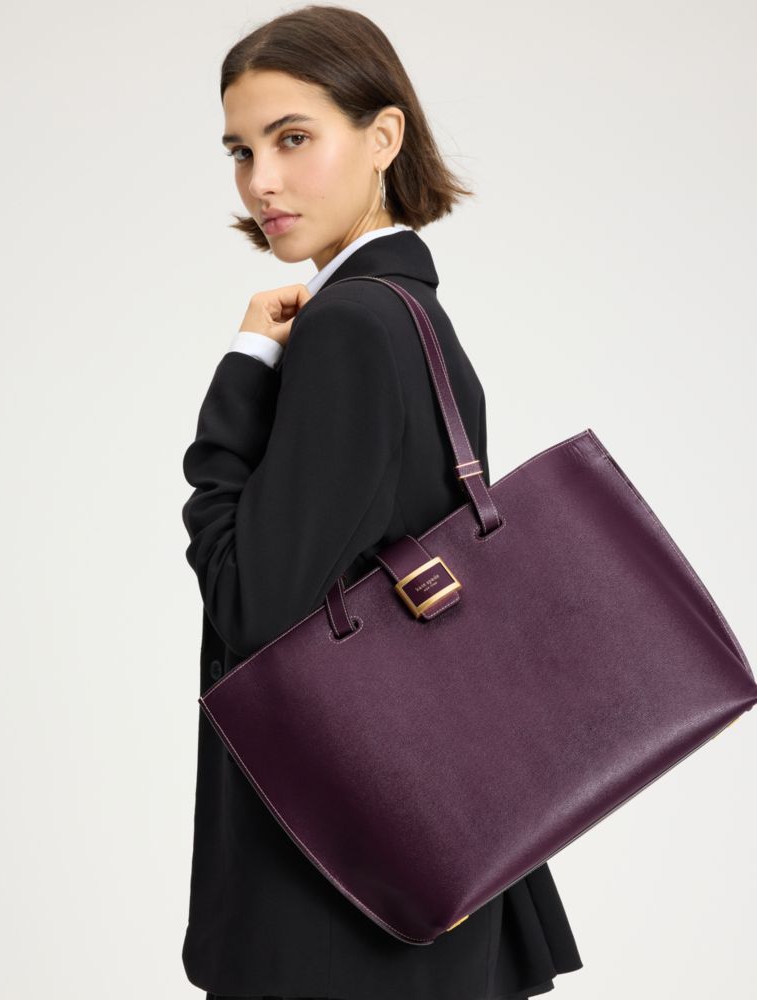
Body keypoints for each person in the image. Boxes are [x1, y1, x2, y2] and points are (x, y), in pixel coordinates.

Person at [180, 6, 584, 999]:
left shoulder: (351, 326)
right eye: (241, 150)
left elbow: (251, 609)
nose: (260, 182)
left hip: (338, 886)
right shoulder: (411, 314)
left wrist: (244, 367)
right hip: (420, 848)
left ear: (383, 136)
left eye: (292, 138)